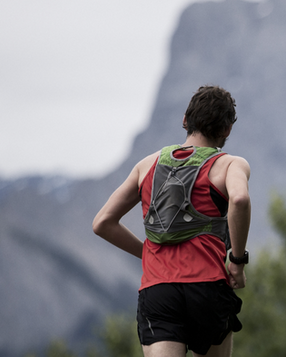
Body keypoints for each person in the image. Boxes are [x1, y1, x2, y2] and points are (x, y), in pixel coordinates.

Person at [93, 85, 251, 357]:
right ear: (227, 130)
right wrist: (236, 262)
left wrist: (147, 253)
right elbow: (239, 200)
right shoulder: (230, 165)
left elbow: (103, 223)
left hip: (158, 290)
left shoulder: (147, 165)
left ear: (185, 120)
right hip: (208, 287)